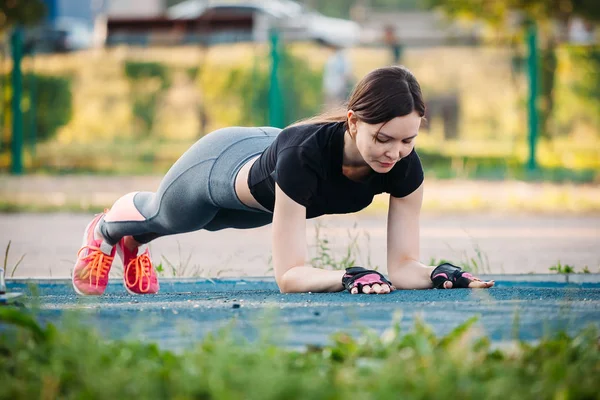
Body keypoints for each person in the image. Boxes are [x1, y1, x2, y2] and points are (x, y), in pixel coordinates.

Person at [72, 65, 495, 296]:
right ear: (352, 122)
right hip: (220, 166)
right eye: (382, 138)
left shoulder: (405, 166)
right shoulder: (304, 157)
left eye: (408, 140)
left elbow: (402, 269)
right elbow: (290, 276)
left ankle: (133, 241)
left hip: (267, 198)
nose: (395, 152)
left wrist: (441, 273)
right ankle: (106, 229)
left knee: (213, 222)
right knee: (169, 216)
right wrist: (347, 276)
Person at [321, 39, 354, 110]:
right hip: (336, 86)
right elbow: (347, 74)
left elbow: (346, 74)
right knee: (335, 106)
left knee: (333, 106)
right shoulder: (337, 58)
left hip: (335, 86)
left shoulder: (338, 58)